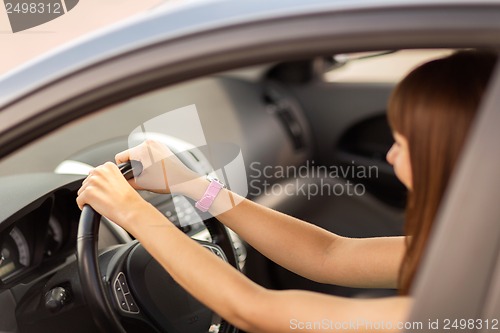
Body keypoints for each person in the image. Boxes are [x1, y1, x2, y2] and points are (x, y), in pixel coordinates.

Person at [77, 50, 497, 332]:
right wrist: (193, 186)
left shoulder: (464, 311)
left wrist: (134, 214)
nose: (389, 156)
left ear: (452, 157)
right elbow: (329, 255)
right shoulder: (477, 252)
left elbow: (254, 311)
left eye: (402, 144)